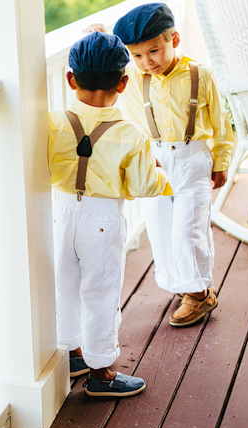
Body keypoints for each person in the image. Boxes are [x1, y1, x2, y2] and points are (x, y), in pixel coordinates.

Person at [49, 32, 172, 397]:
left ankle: (72, 352)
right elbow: (143, 186)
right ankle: (101, 373)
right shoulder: (131, 135)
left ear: (71, 80)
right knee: (100, 292)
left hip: (60, 212)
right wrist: (163, 178)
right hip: (102, 220)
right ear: (124, 81)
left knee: (63, 285)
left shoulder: (52, 123)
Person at [108, 3, 234, 327]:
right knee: (160, 226)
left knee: (187, 229)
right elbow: (109, 68)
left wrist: (220, 161)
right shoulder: (135, 80)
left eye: (154, 51)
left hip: (193, 159)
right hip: (156, 160)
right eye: (137, 55)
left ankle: (199, 293)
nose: (146, 61)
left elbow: (221, 124)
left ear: (174, 40)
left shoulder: (199, 75)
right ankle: (180, 284)